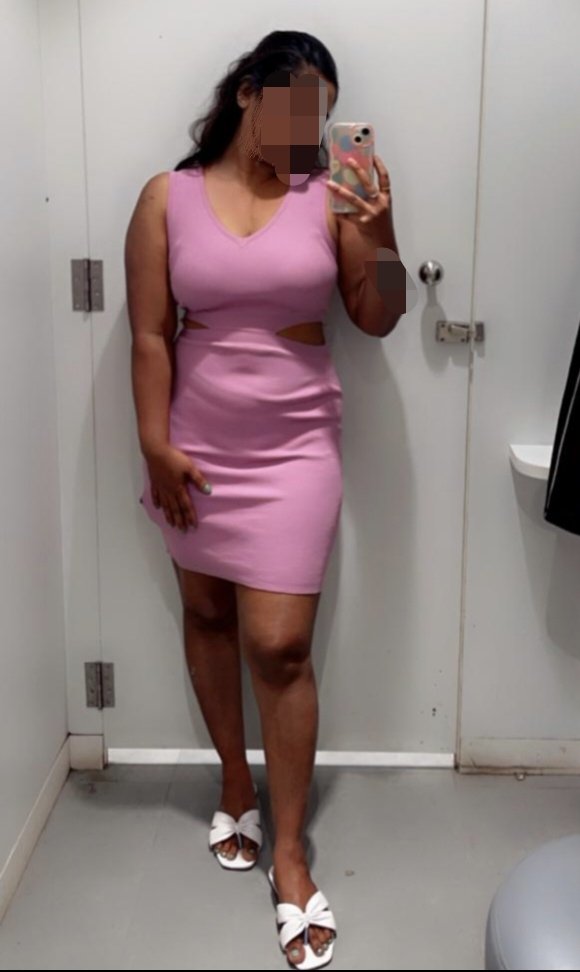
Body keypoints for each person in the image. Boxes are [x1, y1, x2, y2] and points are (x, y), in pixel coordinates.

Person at [125, 28, 402, 970]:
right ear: (248, 91)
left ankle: (289, 854)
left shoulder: (333, 195)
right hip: (193, 446)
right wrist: (155, 444)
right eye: (297, 103)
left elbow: (379, 316)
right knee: (206, 614)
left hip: (294, 450)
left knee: (279, 646)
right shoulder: (167, 197)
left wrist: (382, 231)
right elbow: (151, 334)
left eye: (323, 114)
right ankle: (233, 785)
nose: (309, 125)